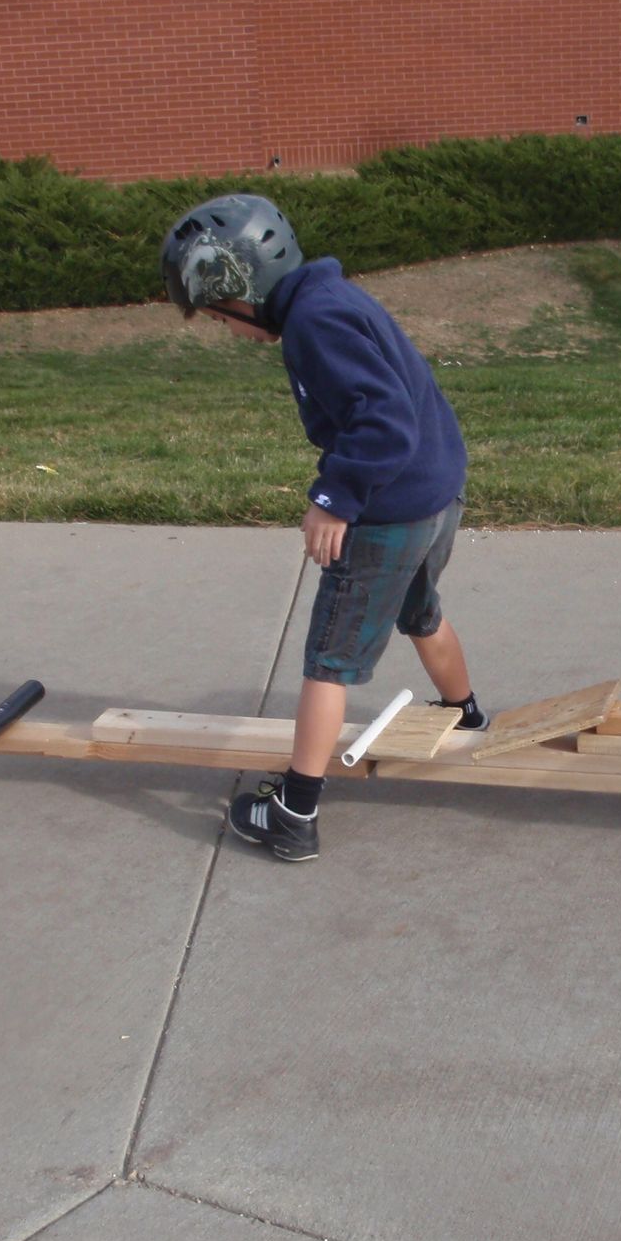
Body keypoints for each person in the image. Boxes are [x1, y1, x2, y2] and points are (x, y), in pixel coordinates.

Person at [161, 193, 485, 862]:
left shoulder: (314, 324)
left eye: (221, 318)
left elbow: (383, 420)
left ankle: (294, 814)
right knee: (421, 614)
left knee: (327, 661)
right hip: (435, 495)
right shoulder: (334, 299)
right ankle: (468, 715)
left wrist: (334, 499)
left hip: (389, 510)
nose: (229, 331)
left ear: (239, 292)